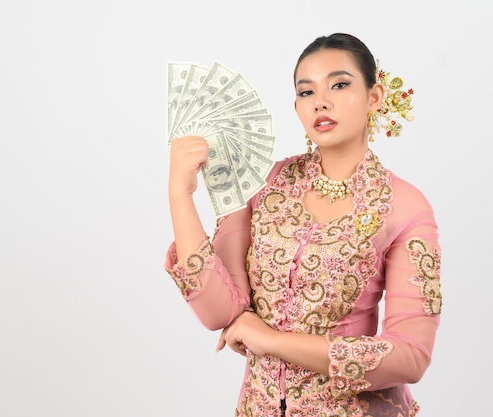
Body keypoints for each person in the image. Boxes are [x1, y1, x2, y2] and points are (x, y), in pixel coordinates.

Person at [165, 33, 442, 417]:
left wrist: (271, 340)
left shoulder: (405, 206)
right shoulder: (264, 185)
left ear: (374, 97)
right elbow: (220, 312)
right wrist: (180, 194)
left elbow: (411, 357)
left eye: (340, 85)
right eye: (306, 92)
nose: (321, 102)